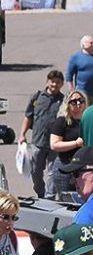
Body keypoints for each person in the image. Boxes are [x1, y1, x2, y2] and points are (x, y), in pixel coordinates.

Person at [20, 69, 64, 198]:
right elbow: (28, 117)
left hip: (54, 144)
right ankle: (41, 193)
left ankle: (50, 197)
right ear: (47, 81)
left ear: (62, 84)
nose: (54, 85)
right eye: (52, 82)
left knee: (52, 172)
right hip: (38, 142)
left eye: (58, 82)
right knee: (36, 172)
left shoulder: (63, 101)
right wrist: (22, 134)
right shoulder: (37, 97)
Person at [48, 89, 86, 198]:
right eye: (73, 101)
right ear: (67, 104)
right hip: (65, 166)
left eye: (81, 100)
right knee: (66, 200)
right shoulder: (62, 121)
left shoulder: (87, 119)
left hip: (83, 167)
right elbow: (54, 144)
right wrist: (76, 143)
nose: (78, 104)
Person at [65, 36, 93, 105]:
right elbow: (69, 76)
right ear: (83, 45)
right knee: (82, 112)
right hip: (81, 92)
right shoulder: (75, 57)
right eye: (91, 43)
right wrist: (71, 91)